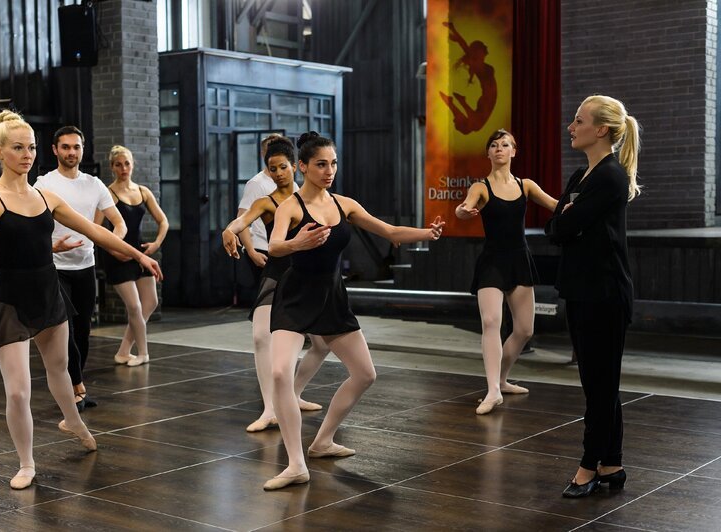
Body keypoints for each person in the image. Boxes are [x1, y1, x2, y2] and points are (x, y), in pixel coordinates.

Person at [0, 110, 162, 490]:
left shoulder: (44, 196)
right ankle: (26, 462)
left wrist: (138, 255)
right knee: (18, 390)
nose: (27, 154)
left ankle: (73, 420)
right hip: (12, 300)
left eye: (32, 147)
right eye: (18, 148)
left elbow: (97, 234)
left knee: (61, 372)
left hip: (48, 293)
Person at [262, 132, 445, 490]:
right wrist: (297, 243)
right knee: (282, 373)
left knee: (365, 373)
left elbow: (389, 231)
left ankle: (323, 441)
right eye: (320, 164)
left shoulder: (344, 204)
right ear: (303, 166)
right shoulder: (291, 206)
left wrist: (427, 233)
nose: (329, 170)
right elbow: (274, 247)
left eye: (333, 163)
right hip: (295, 296)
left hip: (332, 296)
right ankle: (296, 464)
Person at [545, 95, 640, 498]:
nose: (571, 126)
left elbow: (566, 229)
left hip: (604, 294)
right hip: (583, 291)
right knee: (599, 384)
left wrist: (569, 221)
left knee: (599, 386)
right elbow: (555, 228)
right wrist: (567, 220)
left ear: (600, 130)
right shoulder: (580, 176)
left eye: (578, 120)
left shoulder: (611, 177)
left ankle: (588, 466)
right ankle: (612, 463)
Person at [222, 138, 328, 432]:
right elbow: (241, 221)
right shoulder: (265, 201)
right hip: (276, 271)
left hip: (307, 275)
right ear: (267, 171)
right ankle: (270, 408)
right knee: (260, 337)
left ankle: (291, 394)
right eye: (273, 168)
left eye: (283, 167)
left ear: (296, 166)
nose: (279, 173)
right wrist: (228, 231)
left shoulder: (313, 196)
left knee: (321, 342)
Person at [456, 129, 558, 415]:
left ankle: (501, 380)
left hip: (519, 259)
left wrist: (584, 207)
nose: (499, 149)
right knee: (491, 322)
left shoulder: (525, 185)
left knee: (525, 329)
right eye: (493, 145)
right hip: (492, 262)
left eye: (505, 145)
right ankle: (492, 391)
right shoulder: (481, 187)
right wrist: (464, 212)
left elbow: (555, 205)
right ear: (488, 153)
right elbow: (464, 208)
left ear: (514, 151)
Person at [34, 126, 127, 412]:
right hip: (55, 268)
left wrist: (111, 244)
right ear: (55, 150)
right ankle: (76, 387)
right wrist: (50, 248)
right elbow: (31, 229)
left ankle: (75, 384)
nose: (71, 152)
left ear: (82, 149)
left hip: (85, 267)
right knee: (68, 329)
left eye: (76, 147)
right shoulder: (43, 184)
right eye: (65, 147)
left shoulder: (95, 185)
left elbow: (119, 224)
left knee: (84, 330)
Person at [95, 146, 168, 367]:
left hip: (138, 253)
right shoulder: (108, 194)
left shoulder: (143, 191)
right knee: (135, 307)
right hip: (117, 256)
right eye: (118, 164)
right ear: (112, 167)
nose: (123, 168)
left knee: (150, 302)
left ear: (132, 164)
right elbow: (96, 229)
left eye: (126, 163)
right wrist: (114, 250)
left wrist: (156, 243)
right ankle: (143, 353)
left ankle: (124, 350)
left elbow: (163, 221)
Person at [236, 134, 299, 294]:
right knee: (269, 299)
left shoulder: (293, 184)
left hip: (288, 250)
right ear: (265, 155)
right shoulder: (257, 184)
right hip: (263, 249)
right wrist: (251, 252)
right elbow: (241, 219)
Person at [439, 20, 497, 134]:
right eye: (457, 121)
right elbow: (464, 112)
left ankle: (453, 29)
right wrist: (461, 102)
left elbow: (456, 112)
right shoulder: (475, 125)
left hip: (487, 94)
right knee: (467, 51)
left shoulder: (479, 66)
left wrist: (449, 102)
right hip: (488, 96)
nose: (455, 119)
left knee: (467, 50)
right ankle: (453, 29)